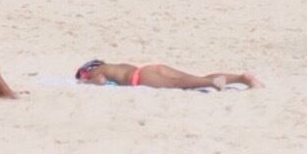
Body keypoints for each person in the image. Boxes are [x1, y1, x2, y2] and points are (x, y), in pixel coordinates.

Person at [75, 60, 261, 90]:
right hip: (150, 68)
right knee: (192, 76)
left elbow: (99, 81)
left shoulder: (97, 71)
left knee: (179, 83)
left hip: (139, 78)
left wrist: (86, 83)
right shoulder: (116, 65)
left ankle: (211, 82)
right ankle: (240, 78)